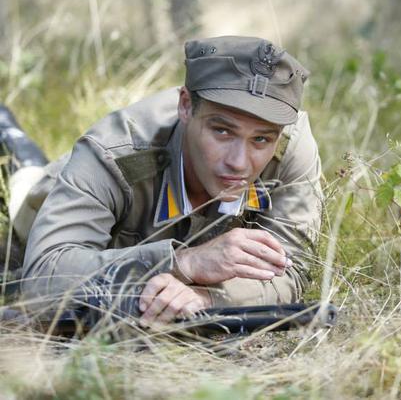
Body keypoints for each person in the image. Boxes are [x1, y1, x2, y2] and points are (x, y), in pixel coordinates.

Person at [9, 35, 323, 324]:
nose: (239, 163)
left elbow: (292, 270)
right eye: (222, 131)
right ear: (185, 105)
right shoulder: (112, 153)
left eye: (260, 140)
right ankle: (11, 136)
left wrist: (207, 297)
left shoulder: (289, 145)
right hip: (45, 198)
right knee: (26, 180)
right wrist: (182, 263)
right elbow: (41, 281)